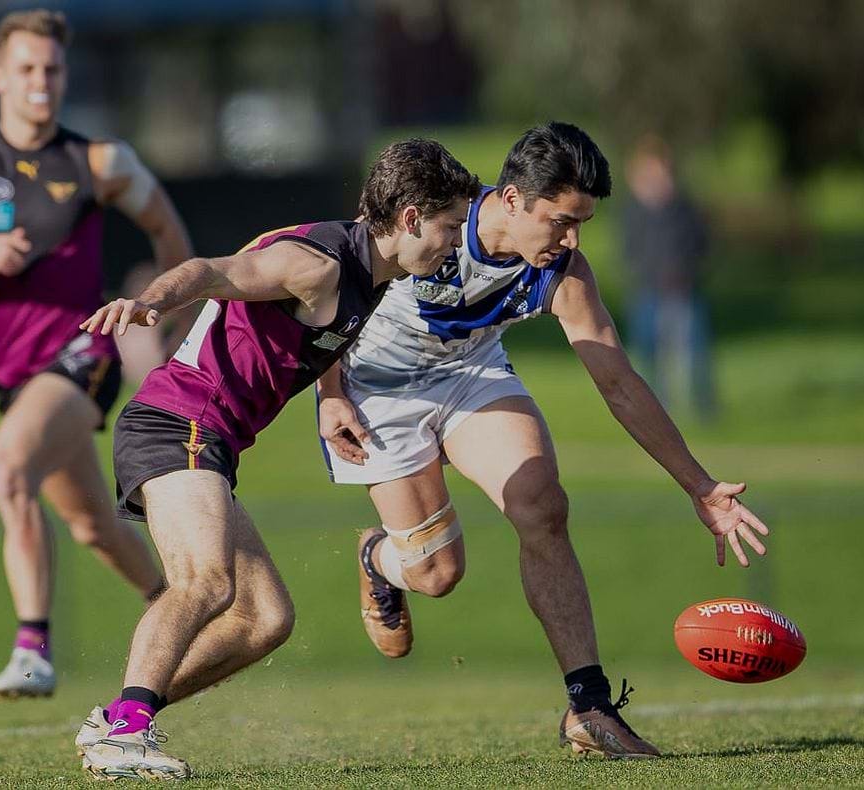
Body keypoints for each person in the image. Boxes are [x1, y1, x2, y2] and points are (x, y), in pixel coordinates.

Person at [316, 123, 770, 759]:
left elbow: (618, 382)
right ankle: (378, 561)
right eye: (559, 221)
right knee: (437, 573)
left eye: (582, 222)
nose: (571, 239)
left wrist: (699, 486)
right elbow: (324, 288)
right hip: (379, 393)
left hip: (469, 377)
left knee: (543, 505)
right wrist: (329, 389)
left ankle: (589, 707)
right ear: (509, 200)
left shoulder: (561, 272)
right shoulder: (436, 215)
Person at [70, 139, 481, 781]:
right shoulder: (311, 263)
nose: (457, 242)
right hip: (177, 422)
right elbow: (208, 270)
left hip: (210, 439)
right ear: (410, 219)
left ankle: (122, 716)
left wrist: (332, 395)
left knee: (265, 619)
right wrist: (153, 302)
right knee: (206, 583)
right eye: (452, 226)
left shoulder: (371, 272)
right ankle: (125, 732)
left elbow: (325, 332)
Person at [0, 9, 193, 699]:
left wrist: (162, 318)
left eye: (53, 69)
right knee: (94, 526)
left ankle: (33, 647)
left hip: (82, 353)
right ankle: (181, 610)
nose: (42, 82)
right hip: (15, 375)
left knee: (8, 468)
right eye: (29, 69)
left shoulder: (99, 161)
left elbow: (170, 236)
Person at [621, 134, 716, 420]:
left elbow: (701, 244)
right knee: (648, 353)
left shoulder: (684, 208)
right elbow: (630, 249)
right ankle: (655, 409)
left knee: (695, 351)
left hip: (684, 289)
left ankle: (705, 408)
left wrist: (687, 271)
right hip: (648, 289)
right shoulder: (634, 211)